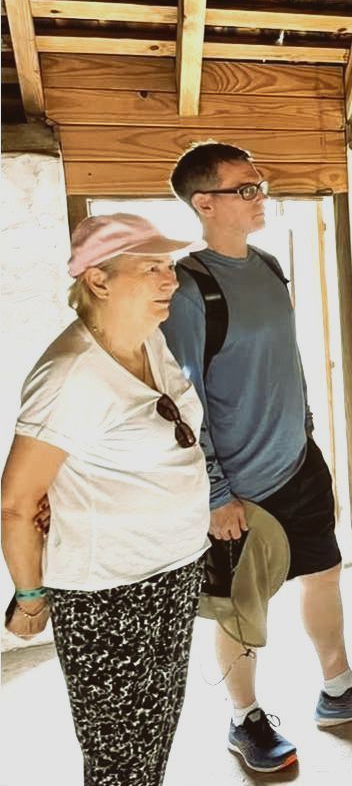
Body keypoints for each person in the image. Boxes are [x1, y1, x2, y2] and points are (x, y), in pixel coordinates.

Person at [160, 142, 352, 774]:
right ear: (204, 203)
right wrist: (213, 492)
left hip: (299, 462)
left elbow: (281, 363)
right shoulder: (190, 289)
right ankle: (245, 719)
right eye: (245, 188)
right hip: (237, 486)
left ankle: (339, 690)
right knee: (241, 607)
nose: (260, 195)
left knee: (324, 574)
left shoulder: (265, 265)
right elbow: (181, 400)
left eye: (260, 184)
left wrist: (309, 432)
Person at [1, 214, 210, 785]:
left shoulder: (151, 339)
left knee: (157, 734)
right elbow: (18, 502)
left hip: (174, 571)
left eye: (169, 266)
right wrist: (31, 599)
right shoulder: (69, 375)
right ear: (98, 280)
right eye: (151, 268)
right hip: (108, 595)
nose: (170, 280)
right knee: (120, 761)